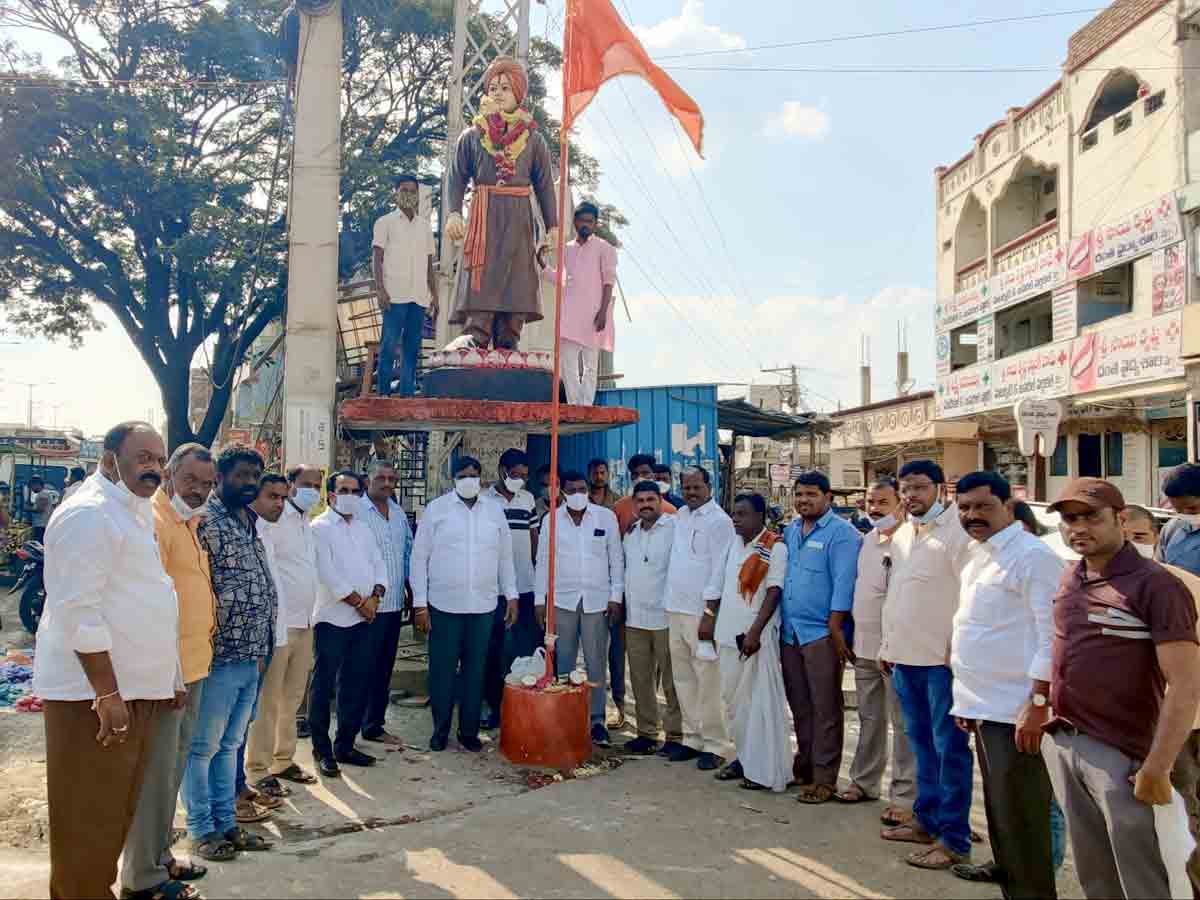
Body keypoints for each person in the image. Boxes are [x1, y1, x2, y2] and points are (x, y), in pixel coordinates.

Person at [33, 421, 182, 900]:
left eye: (159, 460)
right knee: (87, 826)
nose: (154, 469)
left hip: (131, 693)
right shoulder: (89, 514)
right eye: (143, 458)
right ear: (108, 458)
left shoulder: (132, 512)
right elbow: (79, 610)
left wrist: (168, 677)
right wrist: (107, 693)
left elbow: (147, 601)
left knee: (111, 820)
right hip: (93, 699)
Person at [1046, 477, 1200, 899]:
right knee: (1097, 876)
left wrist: (1158, 766)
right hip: (1071, 741)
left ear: (1120, 518)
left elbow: (1186, 685)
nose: (1078, 528)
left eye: (1091, 517)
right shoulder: (1071, 576)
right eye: (1069, 519)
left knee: (1147, 879)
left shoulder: (1156, 585)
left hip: (1127, 755)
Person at [948, 471, 1062, 898]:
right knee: (1002, 815)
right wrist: (966, 702)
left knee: (1023, 820)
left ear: (1008, 506)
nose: (972, 516)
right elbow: (977, 630)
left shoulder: (1032, 557)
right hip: (984, 707)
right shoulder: (979, 555)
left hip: (1017, 712)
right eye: (964, 508)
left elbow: (1053, 638)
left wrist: (1037, 703)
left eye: (982, 506)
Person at [119, 443, 216, 899]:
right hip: (167, 674)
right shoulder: (155, 523)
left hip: (192, 668)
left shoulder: (188, 522)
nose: (199, 491)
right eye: (192, 481)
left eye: (207, 484)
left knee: (170, 773)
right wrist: (171, 673)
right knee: (155, 776)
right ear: (171, 474)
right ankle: (142, 880)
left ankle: (159, 859)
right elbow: (150, 607)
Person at [879, 459, 974, 870]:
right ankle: (926, 820)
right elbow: (896, 594)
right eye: (906, 488)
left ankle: (954, 838)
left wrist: (959, 653)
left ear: (941, 488)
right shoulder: (902, 533)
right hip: (905, 658)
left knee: (949, 750)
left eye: (919, 487)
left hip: (942, 662)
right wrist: (887, 645)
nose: (911, 496)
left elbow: (970, 598)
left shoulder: (960, 534)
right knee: (921, 748)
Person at [186, 445, 277, 861]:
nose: (249, 483)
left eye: (254, 476)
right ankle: (201, 830)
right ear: (220, 479)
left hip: (250, 656)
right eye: (241, 475)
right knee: (203, 748)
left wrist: (260, 651)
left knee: (229, 746)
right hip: (218, 657)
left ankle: (227, 824)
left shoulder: (248, 522)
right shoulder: (207, 522)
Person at [442, 56, 558, 351]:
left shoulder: (534, 140)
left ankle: (510, 337)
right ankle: (476, 333)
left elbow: (544, 184)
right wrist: (454, 212)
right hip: (484, 214)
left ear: (518, 93)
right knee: (481, 272)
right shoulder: (472, 136)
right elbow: (456, 177)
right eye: (493, 87)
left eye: (505, 87)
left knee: (517, 276)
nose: (497, 92)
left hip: (519, 217)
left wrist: (553, 225)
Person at [411, 456, 518, 752]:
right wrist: (420, 605)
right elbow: (419, 558)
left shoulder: (495, 512)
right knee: (443, 671)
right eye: (462, 475)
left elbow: (505, 557)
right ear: (452, 478)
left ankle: (468, 732)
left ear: (481, 478)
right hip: (444, 606)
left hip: (483, 606)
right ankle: (440, 730)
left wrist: (512, 595)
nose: (469, 479)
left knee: (476, 671)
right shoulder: (436, 510)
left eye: (474, 474)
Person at [835, 478, 916, 830]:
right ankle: (864, 782)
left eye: (883, 502)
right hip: (865, 647)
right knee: (869, 719)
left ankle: (904, 798)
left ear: (900, 504)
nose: (875, 508)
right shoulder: (866, 540)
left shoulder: (912, 541)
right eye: (870, 501)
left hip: (898, 649)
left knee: (904, 726)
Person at [778, 471, 863, 804]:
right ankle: (807, 766)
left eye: (811, 494)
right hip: (790, 632)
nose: (804, 500)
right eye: (799, 494)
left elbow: (844, 583)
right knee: (800, 706)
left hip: (821, 634)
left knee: (826, 708)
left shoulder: (842, 535)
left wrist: (836, 629)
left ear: (828, 497)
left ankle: (826, 779)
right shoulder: (790, 530)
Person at [246, 465, 322, 798]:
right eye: (306, 485)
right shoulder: (272, 523)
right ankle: (258, 769)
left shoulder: (306, 522)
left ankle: (283, 759)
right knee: (269, 703)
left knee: (292, 699)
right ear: (291, 486)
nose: (313, 491)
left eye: (318, 485)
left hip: (305, 622)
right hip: (279, 626)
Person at [535, 470, 625, 746]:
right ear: (562, 492)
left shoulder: (605, 517)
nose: (578, 495)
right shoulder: (551, 520)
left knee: (596, 662)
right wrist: (541, 600)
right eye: (572, 490)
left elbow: (616, 559)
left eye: (582, 489)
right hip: (562, 599)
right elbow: (543, 562)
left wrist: (616, 596)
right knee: (563, 660)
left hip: (597, 601)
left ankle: (596, 720)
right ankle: (565, 716)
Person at [308, 471, 388, 777]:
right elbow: (328, 575)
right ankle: (321, 749)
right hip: (332, 619)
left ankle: (346, 744)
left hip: (365, 619)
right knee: (324, 686)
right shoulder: (320, 528)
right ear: (330, 495)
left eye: (356, 490)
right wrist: (360, 603)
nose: (350, 495)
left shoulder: (365, 529)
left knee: (356, 683)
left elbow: (379, 564)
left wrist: (376, 599)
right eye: (344, 490)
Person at [714, 493, 791, 792]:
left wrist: (755, 632)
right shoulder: (732, 545)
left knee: (757, 705)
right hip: (728, 634)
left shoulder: (776, 547)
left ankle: (763, 769)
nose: (736, 518)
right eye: (734, 513)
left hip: (754, 639)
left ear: (760, 516)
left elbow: (774, 592)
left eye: (743, 513)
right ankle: (744, 759)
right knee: (735, 707)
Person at [665, 466, 736, 770]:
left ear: (710, 487)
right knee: (683, 678)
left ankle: (716, 744)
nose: (691, 492)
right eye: (687, 488)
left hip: (701, 613)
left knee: (708, 680)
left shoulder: (720, 522)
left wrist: (710, 612)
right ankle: (693, 737)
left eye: (697, 487)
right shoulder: (680, 516)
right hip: (675, 608)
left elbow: (721, 570)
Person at [232, 473, 292, 819]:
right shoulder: (238, 529)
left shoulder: (263, 532)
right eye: (272, 496)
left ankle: (240, 787)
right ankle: (230, 798)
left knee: (243, 721)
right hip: (240, 645)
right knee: (228, 732)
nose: (279, 504)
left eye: (283, 497)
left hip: (266, 639)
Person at [620, 480, 682, 755]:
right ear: (634, 505)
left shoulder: (674, 528)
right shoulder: (631, 534)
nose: (645, 504)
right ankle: (646, 733)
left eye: (650, 499)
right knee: (640, 678)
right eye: (640, 500)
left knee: (672, 680)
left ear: (660, 501)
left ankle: (676, 736)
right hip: (635, 617)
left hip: (665, 616)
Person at [537, 200, 617, 406]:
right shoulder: (567, 249)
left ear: (595, 223)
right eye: (582, 220)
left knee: (591, 366)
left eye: (590, 221)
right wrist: (543, 265)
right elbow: (563, 279)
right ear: (574, 222)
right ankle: (574, 404)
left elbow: (609, 282)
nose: (585, 225)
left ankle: (586, 405)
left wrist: (603, 313)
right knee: (568, 366)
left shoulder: (604, 248)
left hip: (593, 316)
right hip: (570, 316)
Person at [483, 449, 540, 728]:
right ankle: (496, 708)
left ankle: (523, 707)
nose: (519, 480)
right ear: (501, 470)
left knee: (524, 650)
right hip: (493, 591)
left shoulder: (527, 500)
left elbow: (534, 540)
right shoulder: (484, 500)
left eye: (524, 476)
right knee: (494, 652)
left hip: (525, 587)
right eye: (515, 474)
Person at [358, 461, 413, 746]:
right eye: (381, 478)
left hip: (392, 606)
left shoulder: (399, 513)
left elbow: (407, 553)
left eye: (393, 478)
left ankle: (374, 725)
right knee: (359, 669)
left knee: (383, 669)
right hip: (365, 607)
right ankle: (349, 728)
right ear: (369, 480)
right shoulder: (357, 512)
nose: (387, 483)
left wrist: (409, 590)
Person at [372, 174, 438, 397]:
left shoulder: (425, 227)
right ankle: (383, 394)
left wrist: (435, 295)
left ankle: (407, 396)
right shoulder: (385, 223)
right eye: (404, 190)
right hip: (394, 295)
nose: (408, 195)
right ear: (396, 193)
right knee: (389, 346)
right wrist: (380, 290)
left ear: (418, 195)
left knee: (411, 349)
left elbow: (430, 265)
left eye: (412, 191)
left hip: (418, 296)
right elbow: (377, 259)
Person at [613, 454, 677, 534]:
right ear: (630, 477)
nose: (640, 477)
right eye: (635, 474)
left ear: (654, 475)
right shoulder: (619, 507)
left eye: (645, 473)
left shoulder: (670, 510)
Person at [27, 473, 57, 542]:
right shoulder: (43, 494)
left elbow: (40, 509)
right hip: (41, 525)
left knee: (38, 545)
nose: (31, 489)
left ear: (37, 484)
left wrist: (27, 509)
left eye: (32, 486)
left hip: (41, 525)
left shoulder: (43, 494)